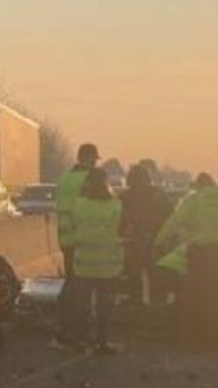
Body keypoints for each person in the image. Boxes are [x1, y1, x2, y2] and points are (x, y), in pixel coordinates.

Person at [154, 171, 218, 347]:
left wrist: (158, 242)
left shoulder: (194, 200)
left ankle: (195, 339)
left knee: (197, 296)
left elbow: (174, 222)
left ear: (198, 185)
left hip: (201, 253)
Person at [71, 167, 124, 353]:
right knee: (104, 305)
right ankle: (102, 340)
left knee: (82, 305)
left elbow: (74, 225)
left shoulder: (79, 205)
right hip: (107, 265)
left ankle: (81, 340)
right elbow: (121, 229)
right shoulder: (116, 206)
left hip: (84, 264)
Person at [54, 142, 100, 346]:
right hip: (84, 238)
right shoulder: (89, 179)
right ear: (88, 158)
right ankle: (78, 330)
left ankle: (65, 325)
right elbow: (97, 206)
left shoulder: (64, 179)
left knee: (71, 282)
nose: (93, 164)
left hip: (66, 238)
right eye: (93, 159)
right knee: (84, 286)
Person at [119, 163, 174, 305]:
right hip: (152, 242)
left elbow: (119, 222)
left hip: (136, 242)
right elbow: (170, 218)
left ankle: (136, 303)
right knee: (154, 276)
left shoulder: (125, 197)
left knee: (135, 276)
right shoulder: (159, 196)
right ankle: (157, 305)